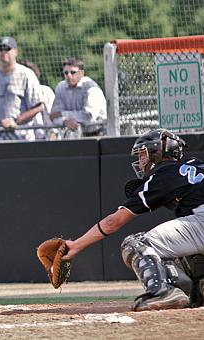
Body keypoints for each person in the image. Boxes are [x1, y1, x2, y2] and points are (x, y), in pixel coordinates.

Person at [62, 129, 204, 311]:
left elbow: (113, 222)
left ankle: (163, 292)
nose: (140, 160)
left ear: (157, 152)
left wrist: (76, 246)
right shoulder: (196, 165)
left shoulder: (163, 174)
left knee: (136, 244)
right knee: (184, 253)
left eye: (143, 154)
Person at [0, 36, 44, 141]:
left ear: (15, 52)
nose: (4, 52)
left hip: (19, 138)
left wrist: (16, 121)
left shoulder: (26, 74)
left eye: (7, 49)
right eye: (1, 49)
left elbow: (38, 107)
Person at [49, 57, 106, 138]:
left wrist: (63, 115)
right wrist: (64, 121)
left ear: (81, 73)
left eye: (73, 72)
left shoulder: (91, 87)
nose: (68, 75)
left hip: (98, 134)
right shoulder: (60, 87)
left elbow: (88, 117)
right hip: (76, 134)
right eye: (66, 73)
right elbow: (53, 117)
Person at [20, 60, 55, 140]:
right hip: (23, 139)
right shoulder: (16, 94)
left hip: (44, 139)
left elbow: (51, 116)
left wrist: (52, 135)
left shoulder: (45, 91)